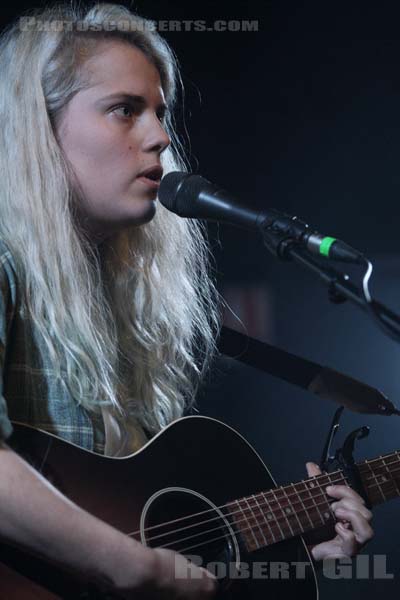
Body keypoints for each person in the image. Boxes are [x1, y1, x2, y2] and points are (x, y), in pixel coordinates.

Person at [0, 2, 373, 598]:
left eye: (160, 112)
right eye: (124, 110)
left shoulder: (128, 304)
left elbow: (141, 526)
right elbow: (134, 560)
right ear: (38, 130)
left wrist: (295, 552)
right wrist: (134, 566)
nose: (160, 137)